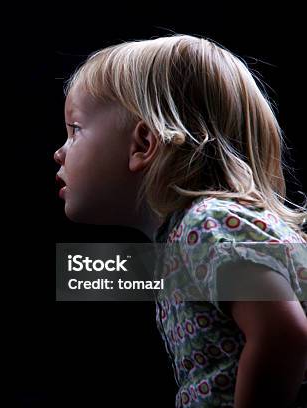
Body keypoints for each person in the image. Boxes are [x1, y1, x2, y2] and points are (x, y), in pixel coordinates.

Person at [54, 34, 307, 407]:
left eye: (75, 131)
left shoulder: (208, 225)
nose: (60, 152)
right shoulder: (188, 238)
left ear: (143, 144)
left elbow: (283, 334)